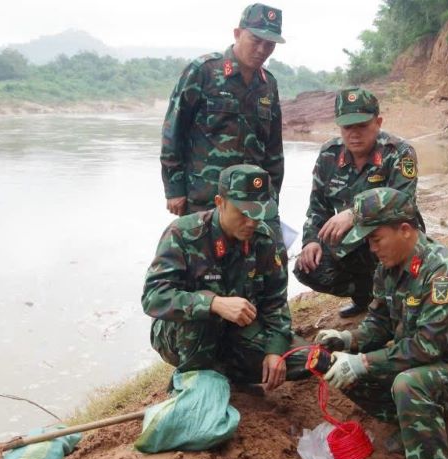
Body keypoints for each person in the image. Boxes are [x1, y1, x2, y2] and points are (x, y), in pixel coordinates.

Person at [315, 187, 448, 459]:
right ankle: (410, 428)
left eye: (377, 238)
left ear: (405, 229)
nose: (372, 247)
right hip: (419, 365)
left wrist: (363, 361)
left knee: (409, 383)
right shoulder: (388, 267)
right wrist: (348, 341)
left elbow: (426, 347)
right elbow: (378, 323)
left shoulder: (443, 272)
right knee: (336, 366)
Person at [142, 164, 321, 389]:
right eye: (244, 213)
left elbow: (275, 305)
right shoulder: (183, 234)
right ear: (220, 202)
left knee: (309, 359)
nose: (251, 223)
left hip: (238, 331)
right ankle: (191, 383)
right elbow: (153, 297)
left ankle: (226, 374)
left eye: (258, 214)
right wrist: (213, 303)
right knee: (202, 319)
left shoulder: (265, 241)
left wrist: (275, 352)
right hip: (183, 334)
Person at [294, 87, 424, 318]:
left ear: (378, 122)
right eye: (347, 127)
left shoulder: (398, 152)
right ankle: (367, 296)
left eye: (362, 126)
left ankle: (396, 300)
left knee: (395, 254)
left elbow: (403, 203)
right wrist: (311, 241)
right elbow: (318, 207)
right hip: (351, 241)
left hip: (390, 233)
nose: (354, 134)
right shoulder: (328, 155)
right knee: (307, 267)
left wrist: (355, 212)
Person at [161, 3, 285, 239]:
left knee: (254, 268)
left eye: (269, 44)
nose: (262, 49)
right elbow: (173, 131)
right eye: (255, 40)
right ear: (237, 33)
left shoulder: (268, 85)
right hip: (206, 197)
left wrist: (272, 197)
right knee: (203, 268)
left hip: (253, 201)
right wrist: (174, 189)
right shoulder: (203, 71)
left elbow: (273, 149)